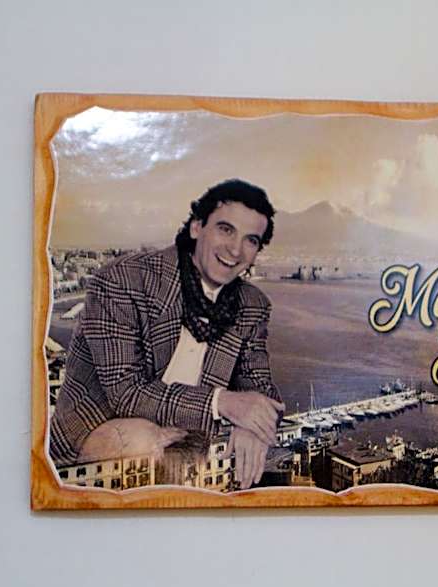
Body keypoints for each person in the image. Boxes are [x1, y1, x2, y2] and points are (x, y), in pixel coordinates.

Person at [49, 179, 284, 488]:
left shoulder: (251, 305)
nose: (235, 249)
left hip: (183, 445)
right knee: (142, 440)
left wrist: (253, 426)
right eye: (225, 229)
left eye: (250, 240)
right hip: (96, 443)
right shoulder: (123, 281)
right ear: (197, 227)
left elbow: (260, 387)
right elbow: (125, 392)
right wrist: (224, 403)